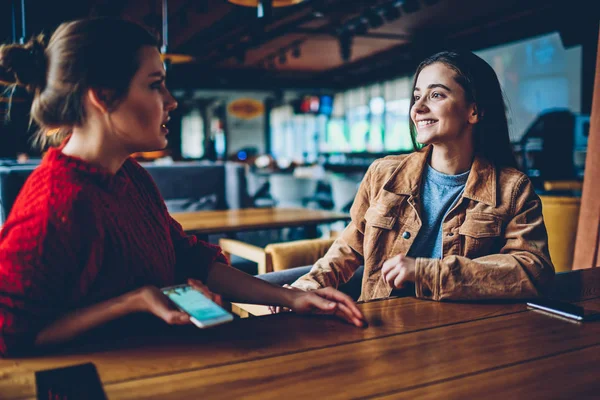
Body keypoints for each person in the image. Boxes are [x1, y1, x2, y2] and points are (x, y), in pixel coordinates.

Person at [0, 18, 365, 357]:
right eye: (155, 85)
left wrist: (291, 298)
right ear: (102, 95)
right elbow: (9, 333)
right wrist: (132, 302)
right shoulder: (54, 203)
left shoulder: (130, 174)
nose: (171, 101)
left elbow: (187, 256)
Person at [288, 50, 554, 302]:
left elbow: (533, 271)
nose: (418, 109)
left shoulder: (513, 189)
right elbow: (349, 248)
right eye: (417, 97)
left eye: (436, 95)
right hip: (379, 328)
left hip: (463, 336)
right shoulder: (383, 175)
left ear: (474, 111)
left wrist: (428, 272)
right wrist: (308, 285)